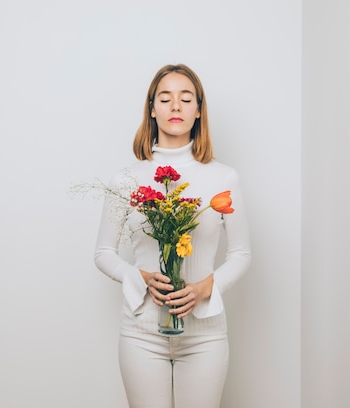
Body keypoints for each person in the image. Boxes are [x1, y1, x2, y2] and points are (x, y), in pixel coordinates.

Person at [93, 64, 251, 408]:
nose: (175, 106)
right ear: (152, 109)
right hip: (141, 332)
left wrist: (207, 287)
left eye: (186, 98)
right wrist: (137, 276)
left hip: (205, 334)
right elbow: (103, 252)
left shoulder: (224, 177)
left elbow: (241, 254)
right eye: (165, 98)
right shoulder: (126, 179)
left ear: (198, 110)